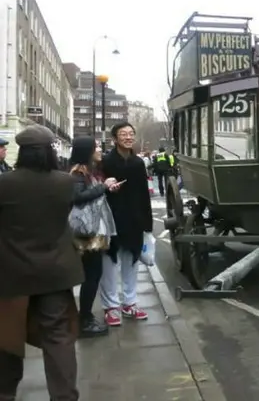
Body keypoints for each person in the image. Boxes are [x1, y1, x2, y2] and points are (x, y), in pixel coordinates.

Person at [0, 125, 83, 400]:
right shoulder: (65, 183)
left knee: (7, 339)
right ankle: (64, 396)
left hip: (11, 274)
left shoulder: (5, 184)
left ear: (21, 152)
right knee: (58, 338)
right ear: (49, 152)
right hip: (55, 272)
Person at [99, 122, 153, 326]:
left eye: (131, 134)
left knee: (131, 261)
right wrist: (106, 187)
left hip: (134, 219)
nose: (128, 137)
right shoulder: (106, 161)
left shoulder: (139, 163)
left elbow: (143, 195)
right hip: (111, 218)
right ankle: (111, 307)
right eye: (123, 134)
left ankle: (130, 302)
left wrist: (147, 223)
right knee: (110, 264)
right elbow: (96, 188)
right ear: (115, 139)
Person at [70, 137, 120, 338]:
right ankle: (84, 320)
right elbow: (78, 197)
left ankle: (85, 317)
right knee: (91, 276)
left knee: (93, 275)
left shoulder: (88, 170)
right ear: (87, 151)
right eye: (96, 147)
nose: (99, 149)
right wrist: (103, 187)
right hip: (86, 233)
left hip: (91, 230)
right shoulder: (78, 171)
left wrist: (106, 187)